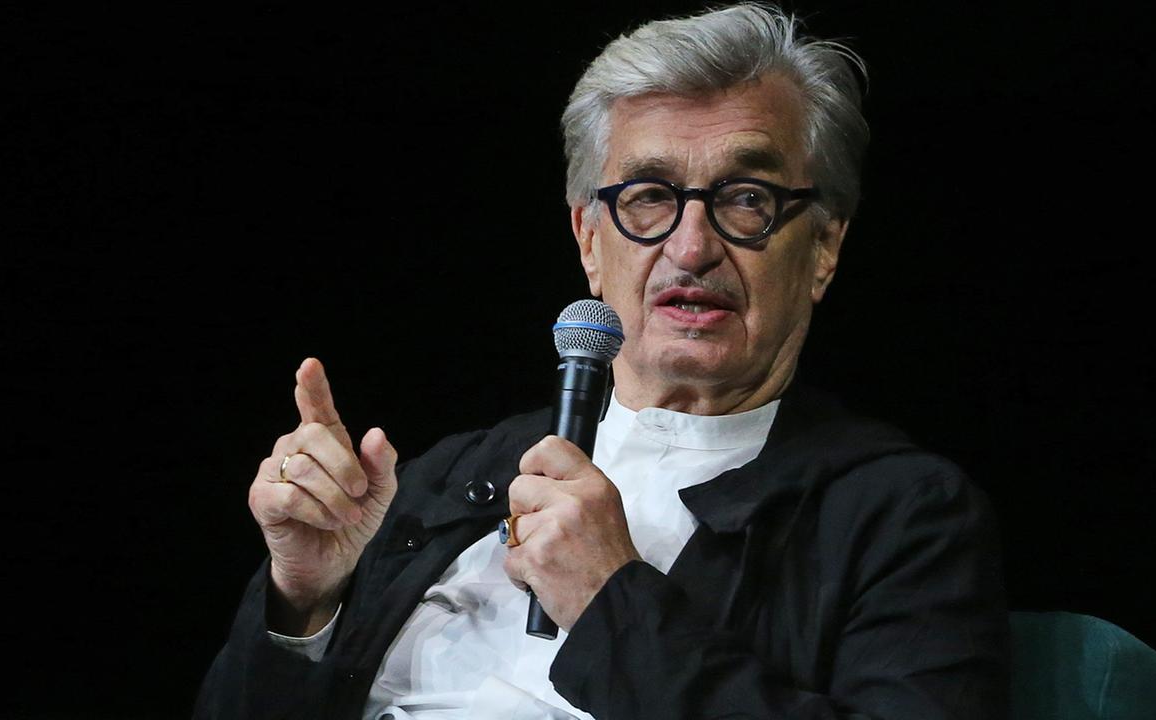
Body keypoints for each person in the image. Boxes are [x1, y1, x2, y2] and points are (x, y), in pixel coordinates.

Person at [194, 4, 1009, 718]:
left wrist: (608, 599)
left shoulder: (902, 517)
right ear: (589, 239)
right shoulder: (448, 477)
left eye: (746, 199)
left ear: (824, 246)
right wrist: (305, 603)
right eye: (650, 197)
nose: (692, 247)